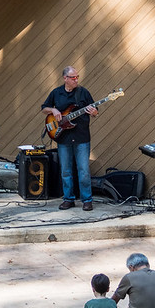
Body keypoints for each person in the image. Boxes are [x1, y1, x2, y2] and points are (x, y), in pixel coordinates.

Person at [41, 66, 98, 211]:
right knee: (65, 170)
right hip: (63, 137)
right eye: (73, 77)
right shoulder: (56, 92)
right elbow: (44, 108)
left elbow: (95, 110)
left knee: (83, 170)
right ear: (65, 78)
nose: (76, 80)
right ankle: (68, 199)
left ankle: (87, 200)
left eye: (77, 77)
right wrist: (53, 110)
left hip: (81, 136)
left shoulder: (83, 92)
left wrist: (94, 112)